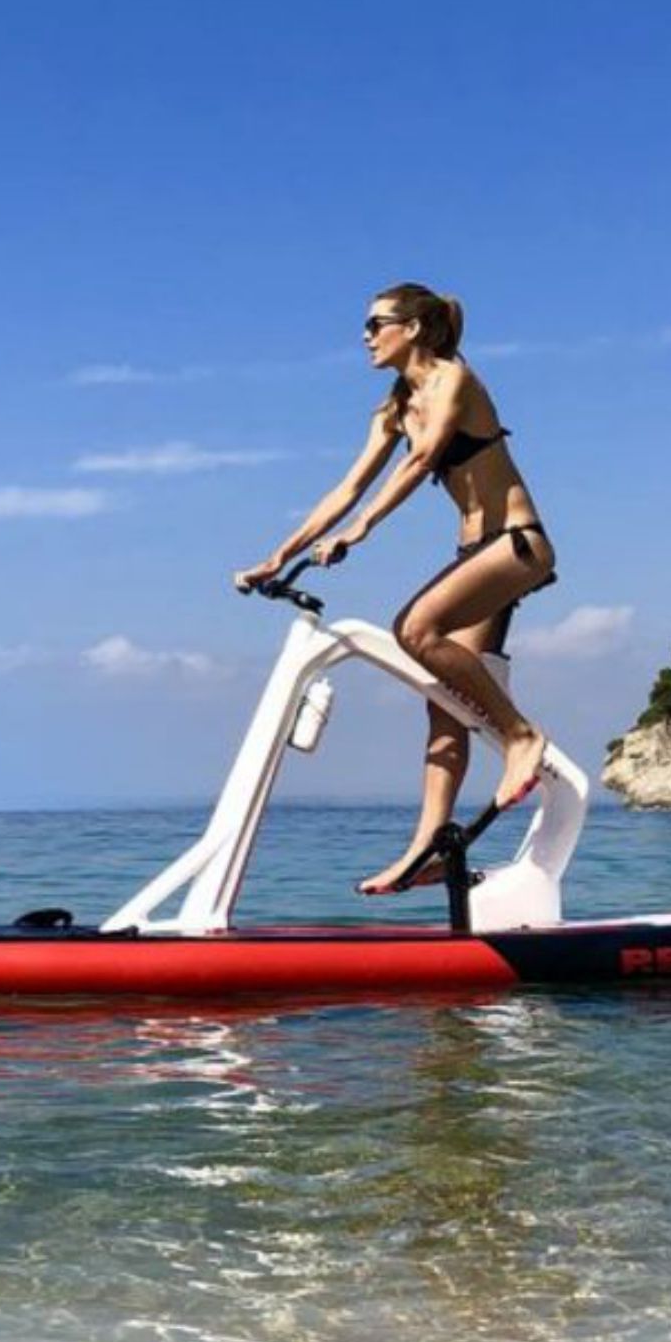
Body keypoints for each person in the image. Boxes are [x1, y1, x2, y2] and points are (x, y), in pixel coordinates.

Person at [234, 283, 557, 892]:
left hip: (516, 543)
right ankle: (428, 852)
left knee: (414, 629)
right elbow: (346, 487)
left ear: (412, 328)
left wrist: (362, 532)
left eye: (375, 323)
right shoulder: (391, 409)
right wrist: (279, 556)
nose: (365, 336)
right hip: (475, 553)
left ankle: (522, 737)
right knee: (446, 702)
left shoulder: (453, 381)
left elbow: (423, 458)